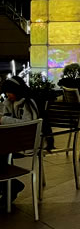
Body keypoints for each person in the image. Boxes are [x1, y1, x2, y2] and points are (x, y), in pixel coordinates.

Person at [0, 76, 40, 208]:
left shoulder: (28, 103)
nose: (7, 95)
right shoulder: (9, 103)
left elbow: (28, 125)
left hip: (27, 142)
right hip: (12, 142)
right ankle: (10, 186)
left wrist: (4, 120)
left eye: (9, 92)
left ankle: (11, 186)